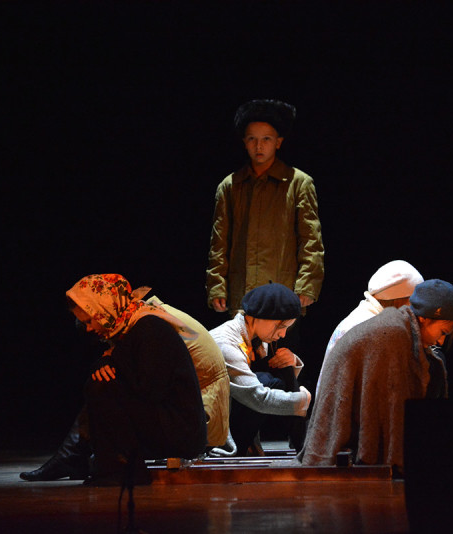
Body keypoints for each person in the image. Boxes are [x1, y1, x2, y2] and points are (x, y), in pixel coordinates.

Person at [19, 274, 212, 486]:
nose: (89, 329)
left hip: (180, 431)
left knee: (102, 386)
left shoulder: (149, 328)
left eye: (89, 320)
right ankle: (86, 459)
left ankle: (117, 469)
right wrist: (108, 363)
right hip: (165, 422)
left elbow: (150, 390)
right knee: (101, 383)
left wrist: (112, 362)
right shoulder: (131, 327)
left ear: (103, 309)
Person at [298, 279, 453, 475]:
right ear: (425, 318)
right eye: (443, 332)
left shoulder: (401, 327)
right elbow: (390, 407)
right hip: (333, 432)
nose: (441, 341)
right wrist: (397, 465)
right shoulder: (394, 333)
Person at [206, 99, 324, 317]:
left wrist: (307, 285)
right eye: (252, 139)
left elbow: (310, 241)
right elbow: (219, 244)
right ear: (244, 142)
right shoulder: (230, 186)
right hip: (241, 292)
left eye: (266, 139)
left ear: (278, 142)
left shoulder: (298, 183)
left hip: (282, 291)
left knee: (280, 340)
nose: (258, 146)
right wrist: (217, 286)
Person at [210, 283, 312, 456]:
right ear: (258, 317)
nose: (283, 334)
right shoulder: (226, 343)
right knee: (266, 380)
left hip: (235, 408)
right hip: (213, 429)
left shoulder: (258, 338)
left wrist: (292, 361)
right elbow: (256, 396)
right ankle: (305, 447)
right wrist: (303, 401)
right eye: (281, 326)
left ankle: (303, 446)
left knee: (281, 366)